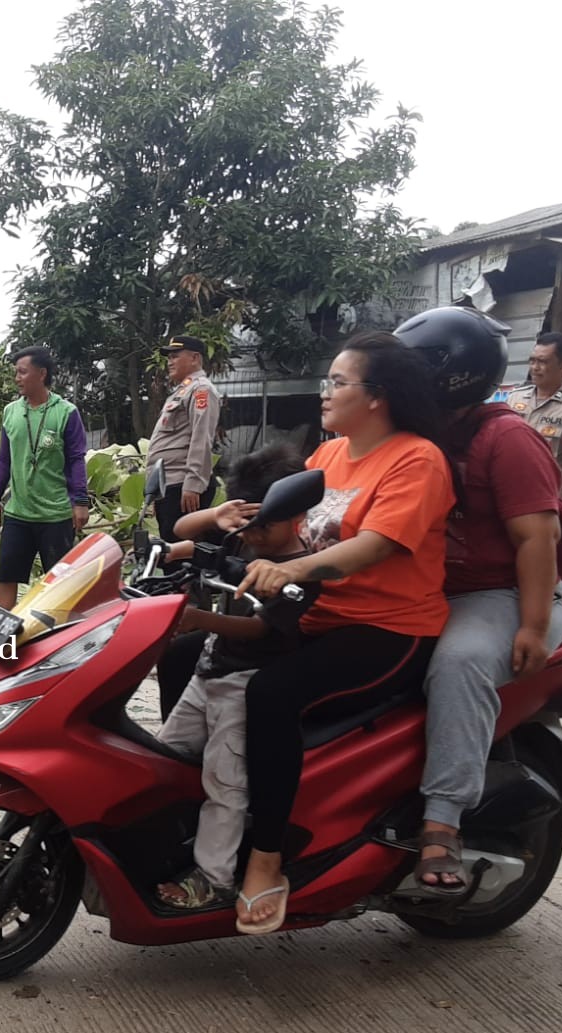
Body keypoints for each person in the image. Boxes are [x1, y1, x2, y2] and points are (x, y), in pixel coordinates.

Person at [232, 331, 456, 935]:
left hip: (387, 629)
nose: (324, 392)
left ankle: (266, 856)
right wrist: (227, 528)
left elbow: (373, 546)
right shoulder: (329, 456)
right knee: (185, 655)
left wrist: (291, 569)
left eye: (337, 382)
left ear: (377, 396)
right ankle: (207, 810)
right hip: (316, 615)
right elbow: (286, 518)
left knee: (271, 693)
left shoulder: (417, 459)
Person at [400, 308, 562, 893]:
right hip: (439, 590)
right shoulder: (415, 436)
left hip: (509, 593)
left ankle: (441, 824)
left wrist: (529, 627)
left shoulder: (508, 437)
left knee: (460, 663)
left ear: (448, 376)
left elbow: (537, 538)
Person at [153, 444, 318, 910]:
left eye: (264, 524)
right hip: (210, 670)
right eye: (248, 522)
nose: (255, 534)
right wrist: (217, 515)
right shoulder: (242, 537)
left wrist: (200, 620)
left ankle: (214, 876)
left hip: (246, 682)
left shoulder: (298, 570)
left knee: (224, 782)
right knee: (166, 756)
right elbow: (181, 535)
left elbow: (259, 627)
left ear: (296, 516)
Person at [0, 345, 90, 610]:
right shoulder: (11, 412)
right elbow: (4, 460)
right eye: (16, 373)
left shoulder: (66, 412)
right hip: (18, 514)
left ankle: (58, 644)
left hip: (55, 515)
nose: (17, 378)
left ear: (41, 374)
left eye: (22, 372)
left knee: (60, 586)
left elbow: (77, 459)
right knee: (6, 578)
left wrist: (80, 501)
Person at [506, 332, 562, 508]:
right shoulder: (514, 399)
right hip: (510, 496)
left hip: (547, 503)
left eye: (543, 362)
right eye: (532, 361)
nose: (534, 367)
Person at [145, 335, 222, 536]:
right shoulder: (183, 391)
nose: (169, 362)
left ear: (195, 358)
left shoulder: (201, 390)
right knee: (171, 550)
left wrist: (193, 485)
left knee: (179, 554)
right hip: (169, 485)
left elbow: (201, 437)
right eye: (169, 357)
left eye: (175, 356)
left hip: (183, 487)